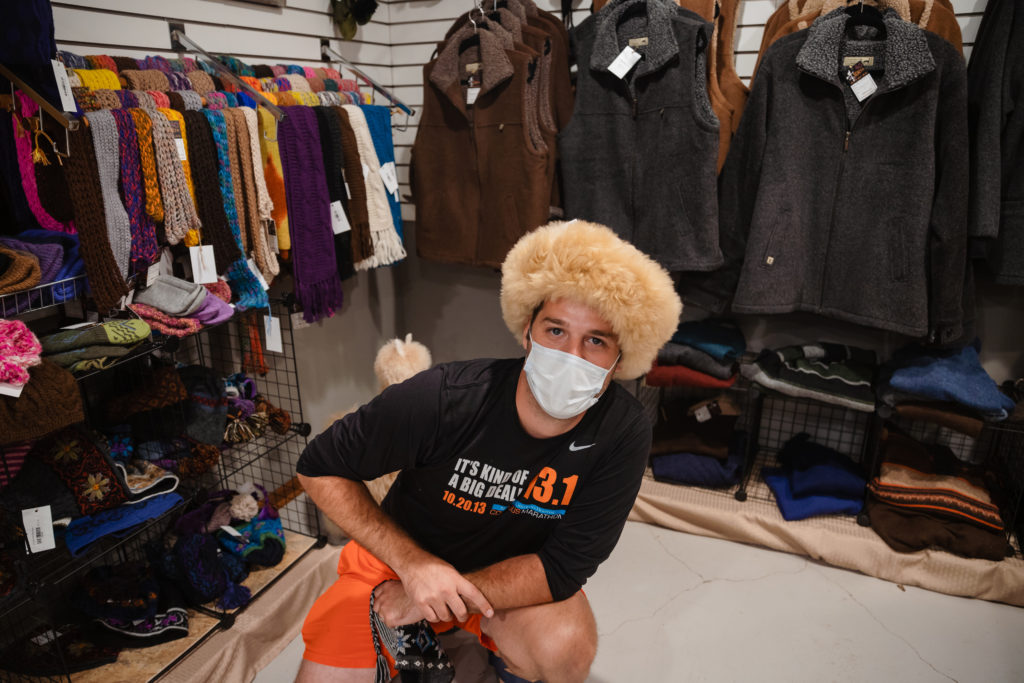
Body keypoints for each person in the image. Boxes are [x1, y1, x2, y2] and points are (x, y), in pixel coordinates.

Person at [295, 220, 682, 683]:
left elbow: (562, 567)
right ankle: (420, 636)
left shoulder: (624, 430)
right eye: (555, 330)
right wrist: (415, 569)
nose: (571, 355)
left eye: (596, 341)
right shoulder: (444, 397)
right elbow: (318, 468)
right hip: (397, 568)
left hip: (510, 583)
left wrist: (444, 594)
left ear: (621, 359)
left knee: (566, 648)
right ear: (526, 333)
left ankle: (497, 654)